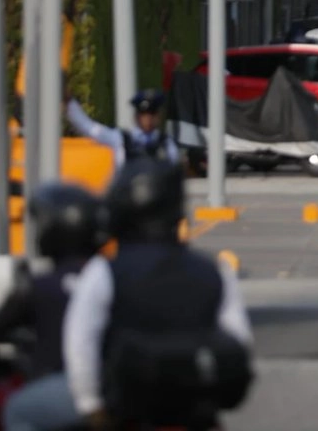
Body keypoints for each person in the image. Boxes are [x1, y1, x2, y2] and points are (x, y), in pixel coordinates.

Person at [63, 156, 253, 430]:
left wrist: (90, 405)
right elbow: (239, 341)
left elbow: (80, 343)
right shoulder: (214, 271)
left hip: (129, 412)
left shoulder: (105, 272)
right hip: (196, 413)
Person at [0, 183, 106, 431]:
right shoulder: (111, 278)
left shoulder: (39, 286)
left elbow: (1, 323)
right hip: (114, 389)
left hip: (68, 389)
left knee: (16, 411)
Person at [65, 89, 179, 169]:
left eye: (152, 113)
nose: (148, 118)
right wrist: (69, 102)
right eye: (144, 114)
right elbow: (88, 127)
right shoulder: (120, 139)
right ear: (136, 117)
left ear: (158, 116)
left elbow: (174, 174)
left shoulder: (166, 144)